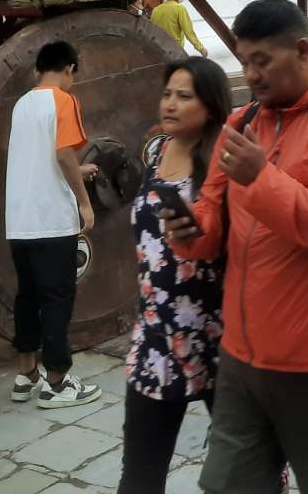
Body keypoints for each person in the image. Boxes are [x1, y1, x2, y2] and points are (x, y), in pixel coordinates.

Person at [164, 0, 308, 494]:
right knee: (227, 486)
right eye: (245, 61)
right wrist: (188, 232)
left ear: (303, 50)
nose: (251, 74)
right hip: (243, 357)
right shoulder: (243, 123)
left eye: (262, 61)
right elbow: (212, 225)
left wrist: (261, 179)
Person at [120, 57, 231, 494]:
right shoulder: (155, 151)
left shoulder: (224, 161)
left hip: (218, 337)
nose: (170, 103)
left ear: (210, 106)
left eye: (184, 96)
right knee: (141, 475)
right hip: (156, 339)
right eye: (167, 93)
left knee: (247, 469)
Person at [6, 40, 102, 408]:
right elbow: (62, 153)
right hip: (51, 221)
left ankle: (26, 375)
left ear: (36, 70)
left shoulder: (22, 104)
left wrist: (76, 170)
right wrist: (84, 200)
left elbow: (38, 158)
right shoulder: (63, 100)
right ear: (70, 69)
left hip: (19, 219)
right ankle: (58, 382)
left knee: (27, 296)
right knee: (58, 297)